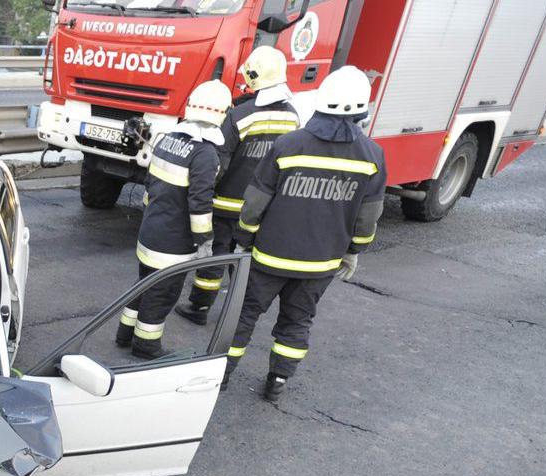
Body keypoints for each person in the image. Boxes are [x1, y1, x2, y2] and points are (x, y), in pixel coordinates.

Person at [227, 66, 385, 400]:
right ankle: (277, 383)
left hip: (269, 257)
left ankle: (222, 376)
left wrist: (244, 238)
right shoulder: (373, 156)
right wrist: (354, 250)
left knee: (244, 315)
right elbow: (367, 217)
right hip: (321, 263)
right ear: (362, 109)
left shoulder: (289, 145)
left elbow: (255, 202)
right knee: (297, 322)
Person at [178, 45, 297, 325]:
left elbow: (220, 162)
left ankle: (200, 308)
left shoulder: (240, 115)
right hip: (262, 209)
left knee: (215, 258)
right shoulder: (292, 116)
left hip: (226, 205)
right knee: (245, 262)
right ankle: (238, 313)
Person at [116, 80, 231, 359]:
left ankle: (125, 333)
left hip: (150, 229)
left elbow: (150, 184)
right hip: (173, 242)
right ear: (221, 113)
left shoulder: (168, 139)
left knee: (142, 283)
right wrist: (204, 242)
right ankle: (146, 346)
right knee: (162, 293)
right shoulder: (205, 153)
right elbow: (200, 204)